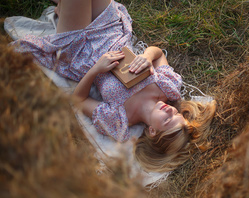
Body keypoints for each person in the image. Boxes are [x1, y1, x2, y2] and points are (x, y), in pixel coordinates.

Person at [12, 0, 216, 173]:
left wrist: (95, 70)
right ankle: (63, 9)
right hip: (110, 30)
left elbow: (78, 100)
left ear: (153, 131)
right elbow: (159, 54)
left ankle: (64, 10)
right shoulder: (166, 88)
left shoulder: (119, 121)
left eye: (167, 120)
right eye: (177, 115)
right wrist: (146, 56)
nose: (171, 110)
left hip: (82, 49)